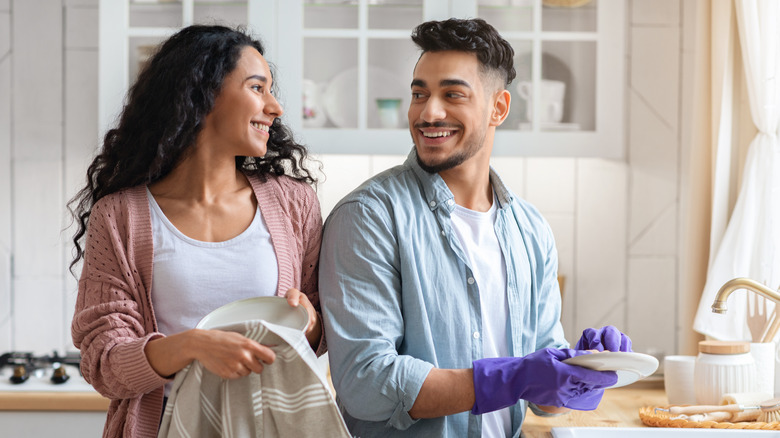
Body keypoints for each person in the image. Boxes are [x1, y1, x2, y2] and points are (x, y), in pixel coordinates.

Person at [319, 18, 632, 437]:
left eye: (452, 94)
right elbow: (366, 384)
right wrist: (513, 377)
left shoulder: (530, 230)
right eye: (419, 93)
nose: (428, 112)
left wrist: (583, 369)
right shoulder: (370, 217)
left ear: (498, 108)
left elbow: (545, 401)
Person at [69, 25, 325, 437]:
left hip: (269, 424)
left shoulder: (294, 203)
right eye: (258, 88)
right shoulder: (120, 216)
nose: (275, 107)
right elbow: (104, 361)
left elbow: (321, 328)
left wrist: (310, 321)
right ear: (200, 95)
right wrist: (191, 345)